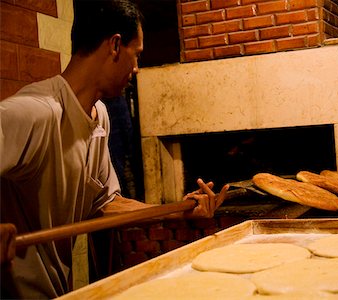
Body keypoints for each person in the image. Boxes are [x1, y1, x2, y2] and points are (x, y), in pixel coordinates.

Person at [0, 0, 228, 298]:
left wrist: (178, 211)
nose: (136, 69)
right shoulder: (36, 112)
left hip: (55, 291)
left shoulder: (100, 116)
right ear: (115, 46)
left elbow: (107, 204)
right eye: (137, 56)